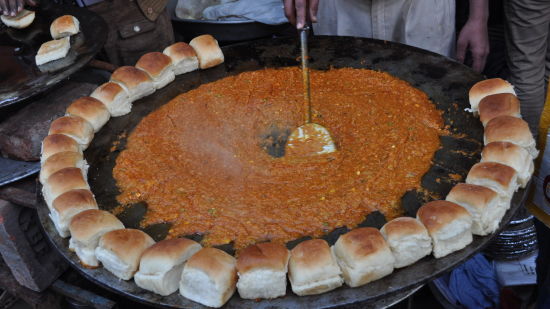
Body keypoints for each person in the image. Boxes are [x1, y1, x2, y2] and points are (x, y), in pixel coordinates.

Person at [283, 0, 490, 73]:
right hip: (341, 6)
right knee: (341, 103)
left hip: (422, 7)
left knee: (432, 107)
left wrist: (478, 16)